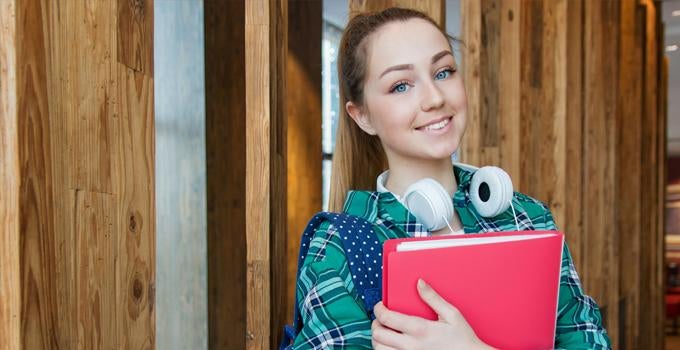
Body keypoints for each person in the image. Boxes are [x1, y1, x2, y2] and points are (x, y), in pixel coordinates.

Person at [291, 7, 611, 349]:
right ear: (362, 116)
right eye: (401, 86)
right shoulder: (340, 247)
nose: (435, 98)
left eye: (443, 72)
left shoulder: (527, 218)